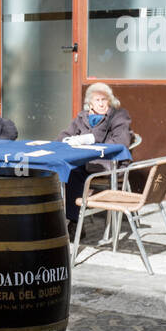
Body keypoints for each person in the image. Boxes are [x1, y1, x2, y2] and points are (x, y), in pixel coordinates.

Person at [60, 82, 133, 234]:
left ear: (110, 101)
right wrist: (65, 141)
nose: (101, 104)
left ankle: (75, 222)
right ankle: (73, 219)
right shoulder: (82, 117)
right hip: (85, 164)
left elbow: (121, 141)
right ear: (90, 103)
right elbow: (66, 134)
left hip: (109, 164)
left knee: (75, 173)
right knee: (69, 170)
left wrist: (91, 144)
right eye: (97, 100)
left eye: (104, 100)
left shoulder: (118, 116)